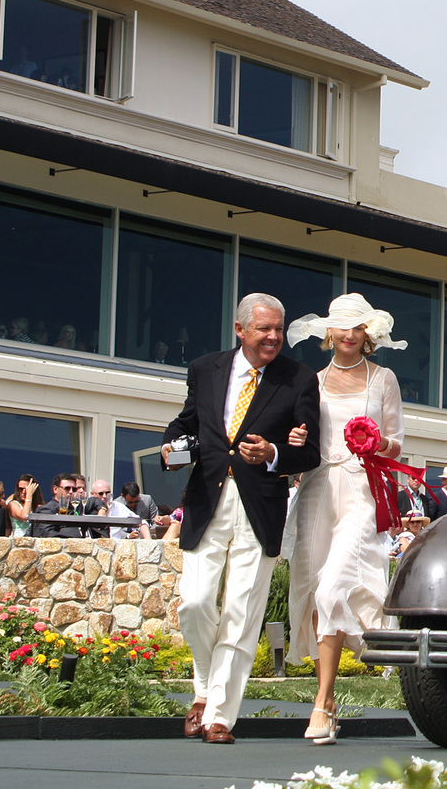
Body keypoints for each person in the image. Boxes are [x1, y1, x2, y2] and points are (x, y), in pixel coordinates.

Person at [161, 292, 320, 746]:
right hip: (206, 500)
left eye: (278, 329)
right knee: (193, 603)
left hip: (261, 504)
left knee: (241, 611)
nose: (273, 337)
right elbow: (187, 422)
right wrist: (171, 447)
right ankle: (206, 689)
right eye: (264, 329)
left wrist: (273, 453)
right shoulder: (205, 368)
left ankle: (218, 717)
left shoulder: (300, 379)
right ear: (240, 330)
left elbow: (310, 451)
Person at [282, 292, 407, 745]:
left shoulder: (384, 379)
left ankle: (321, 702)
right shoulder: (309, 381)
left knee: (336, 582)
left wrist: (375, 444)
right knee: (315, 587)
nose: (349, 335)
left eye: (357, 327)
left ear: (367, 333)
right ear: (328, 332)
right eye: (342, 327)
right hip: (317, 487)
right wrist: (295, 437)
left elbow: (397, 443)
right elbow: (298, 441)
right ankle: (326, 695)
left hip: (361, 489)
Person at [29, 473, 91, 537]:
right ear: (55, 489)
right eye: (67, 488)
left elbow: (94, 501)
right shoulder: (46, 510)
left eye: (74, 489)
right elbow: (48, 533)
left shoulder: (76, 507)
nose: (71, 492)